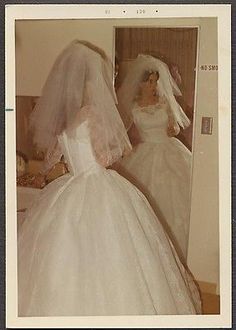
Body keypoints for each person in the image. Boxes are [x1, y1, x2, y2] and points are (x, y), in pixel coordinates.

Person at [18, 41, 201, 316]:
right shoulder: (90, 114)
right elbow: (106, 156)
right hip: (97, 183)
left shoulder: (61, 121)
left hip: (70, 186)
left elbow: (51, 161)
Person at [116, 54, 192, 261]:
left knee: (174, 202)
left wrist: (172, 128)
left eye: (155, 81)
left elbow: (175, 127)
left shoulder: (165, 102)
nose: (153, 86)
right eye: (150, 81)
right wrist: (125, 149)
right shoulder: (132, 108)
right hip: (145, 153)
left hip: (169, 151)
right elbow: (122, 133)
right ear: (140, 83)